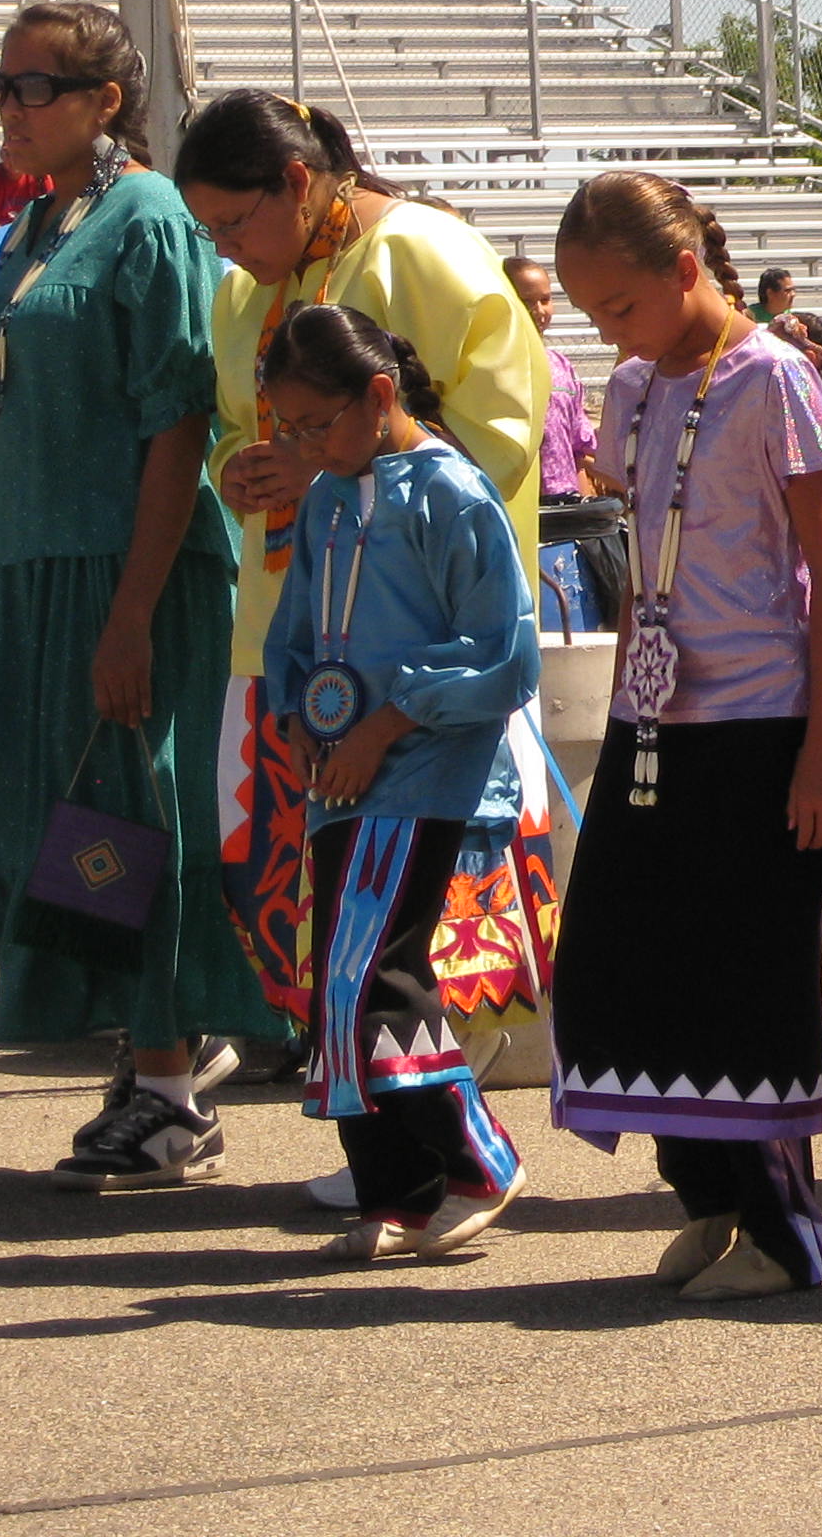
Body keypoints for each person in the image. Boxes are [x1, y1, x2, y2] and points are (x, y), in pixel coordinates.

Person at [0, 0, 266, 1185]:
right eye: (2, 86)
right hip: (28, 570)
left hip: (129, 569)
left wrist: (132, 611)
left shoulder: (149, 221)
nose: (10, 109)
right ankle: (154, 1050)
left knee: (126, 825)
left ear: (105, 103)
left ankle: (168, 1082)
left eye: (35, 88)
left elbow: (178, 422)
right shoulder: (35, 223)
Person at [176, 94, 556, 1068]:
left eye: (232, 222)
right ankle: (385, 1127)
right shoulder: (242, 297)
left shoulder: (422, 254)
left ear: (296, 184)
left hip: (418, 647)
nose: (225, 249)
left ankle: (439, 1133)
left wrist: (328, 474)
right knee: (311, 901)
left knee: (411, 915)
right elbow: (230, 421)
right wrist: (238, 466)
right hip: (287, 639)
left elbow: (501, 432)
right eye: (209, 230)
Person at [547, 171, 822, 1299]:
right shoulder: (632, 389)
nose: (606, 331)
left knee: (743, 974)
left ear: (686, 271)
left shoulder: (774, 375)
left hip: (761, 721)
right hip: (655, 717)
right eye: (588, 313)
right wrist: (632, 692)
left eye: (619, 305)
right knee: (625, 963)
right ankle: (710, 1195)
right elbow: (644, 556)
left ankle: (782, 1230)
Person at [258, 306, 542, 1259]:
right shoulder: (331, 498)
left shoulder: (452, 495)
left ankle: (478, 1156)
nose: (301, 445)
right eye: (284, 429)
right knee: (335, 987)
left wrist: (385, 723)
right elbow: (294, 631)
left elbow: (503, 657)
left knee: (368, 980)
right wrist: (299, 711)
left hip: (423, 771)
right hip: (341, 777)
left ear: (378, 396)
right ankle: (397, 1190)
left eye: (314, 424)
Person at [505, 254, 608, 634]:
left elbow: (580, 449)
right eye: (526, 300)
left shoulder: (561, 366)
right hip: (522, 510)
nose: (539, 310)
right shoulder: (493, 366)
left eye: (545, 299)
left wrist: (584, 513)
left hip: (564, 511)